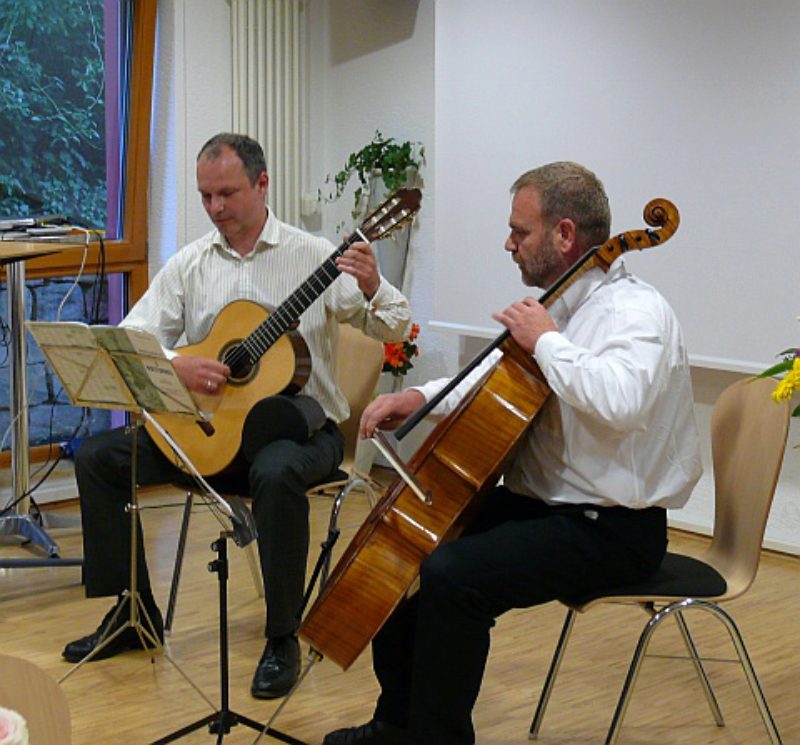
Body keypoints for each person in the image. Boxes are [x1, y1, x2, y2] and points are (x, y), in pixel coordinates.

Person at [322, 162, 702, 745]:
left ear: (565, 234)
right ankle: (396, 725)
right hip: (544, 506)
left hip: (613, 527)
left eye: (519, 232)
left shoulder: (635, 313)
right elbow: (503, 382)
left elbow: (621, 401)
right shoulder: (565, 304)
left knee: (454, 576)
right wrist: (420, 397)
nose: (508, 244)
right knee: (414, 544)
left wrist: (545, 339)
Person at [61, 133, 412, 700]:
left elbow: (393, 327)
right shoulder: (192, 263)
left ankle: (282, 637)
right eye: (205, 196)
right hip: (209, 433)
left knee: (275, 473)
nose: (215, 208)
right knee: (101, 458)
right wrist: (179, 365)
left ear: (262, 184)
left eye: (227, 193)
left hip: (302, 432)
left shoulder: (315, 255)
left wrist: (372, 283)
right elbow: (132, 334)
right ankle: (134, 615)